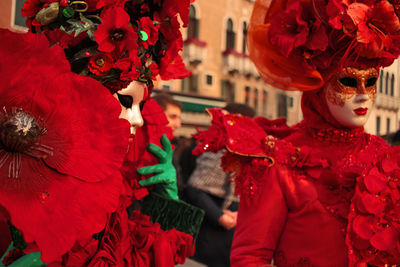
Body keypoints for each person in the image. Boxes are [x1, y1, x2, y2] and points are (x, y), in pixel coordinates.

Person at [193, 0, 400, 266]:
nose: (362, 95)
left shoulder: (383, 156)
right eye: (348, 81)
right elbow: (250, 256)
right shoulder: (279, 159)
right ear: (317, 88)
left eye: (370, 81)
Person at [0, 0, 204, 265]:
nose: (139, 121)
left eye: (142, 105)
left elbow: (152, 254)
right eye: (126, 101)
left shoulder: (120, 178)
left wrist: (168, 198)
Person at [184, 103, 255, 267]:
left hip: (236, 222)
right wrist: (219, 216)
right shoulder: (217, 148)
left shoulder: (250, 151)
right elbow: (195, 188)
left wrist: (241, 215)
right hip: (214, 223)